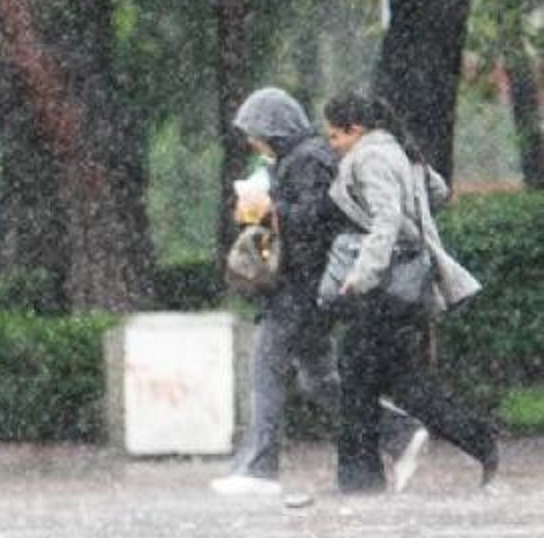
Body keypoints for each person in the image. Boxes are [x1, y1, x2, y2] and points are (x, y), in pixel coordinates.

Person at [210, 88, 429, 496]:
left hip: (301, 290)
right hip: (307, 290)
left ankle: (260, 469)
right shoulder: (295, 158)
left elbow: (317, 221)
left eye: (255, 132)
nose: (251, 141)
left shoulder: (308, 159)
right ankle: (400, 433)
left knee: (267, 369)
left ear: (274, 129)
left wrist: (272, 210)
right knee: (319, 381)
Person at [321, 92, 498, 493]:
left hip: (383, 288)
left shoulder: (368, 157)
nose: (332, 145)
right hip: (405, 285)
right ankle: (476, 438)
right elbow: (437, 192)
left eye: (335, 136)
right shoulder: (401, 151)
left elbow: (386, 220)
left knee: (359, 375)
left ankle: (360, 480)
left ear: (356, 130)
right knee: (390, 378)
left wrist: (360, 276)